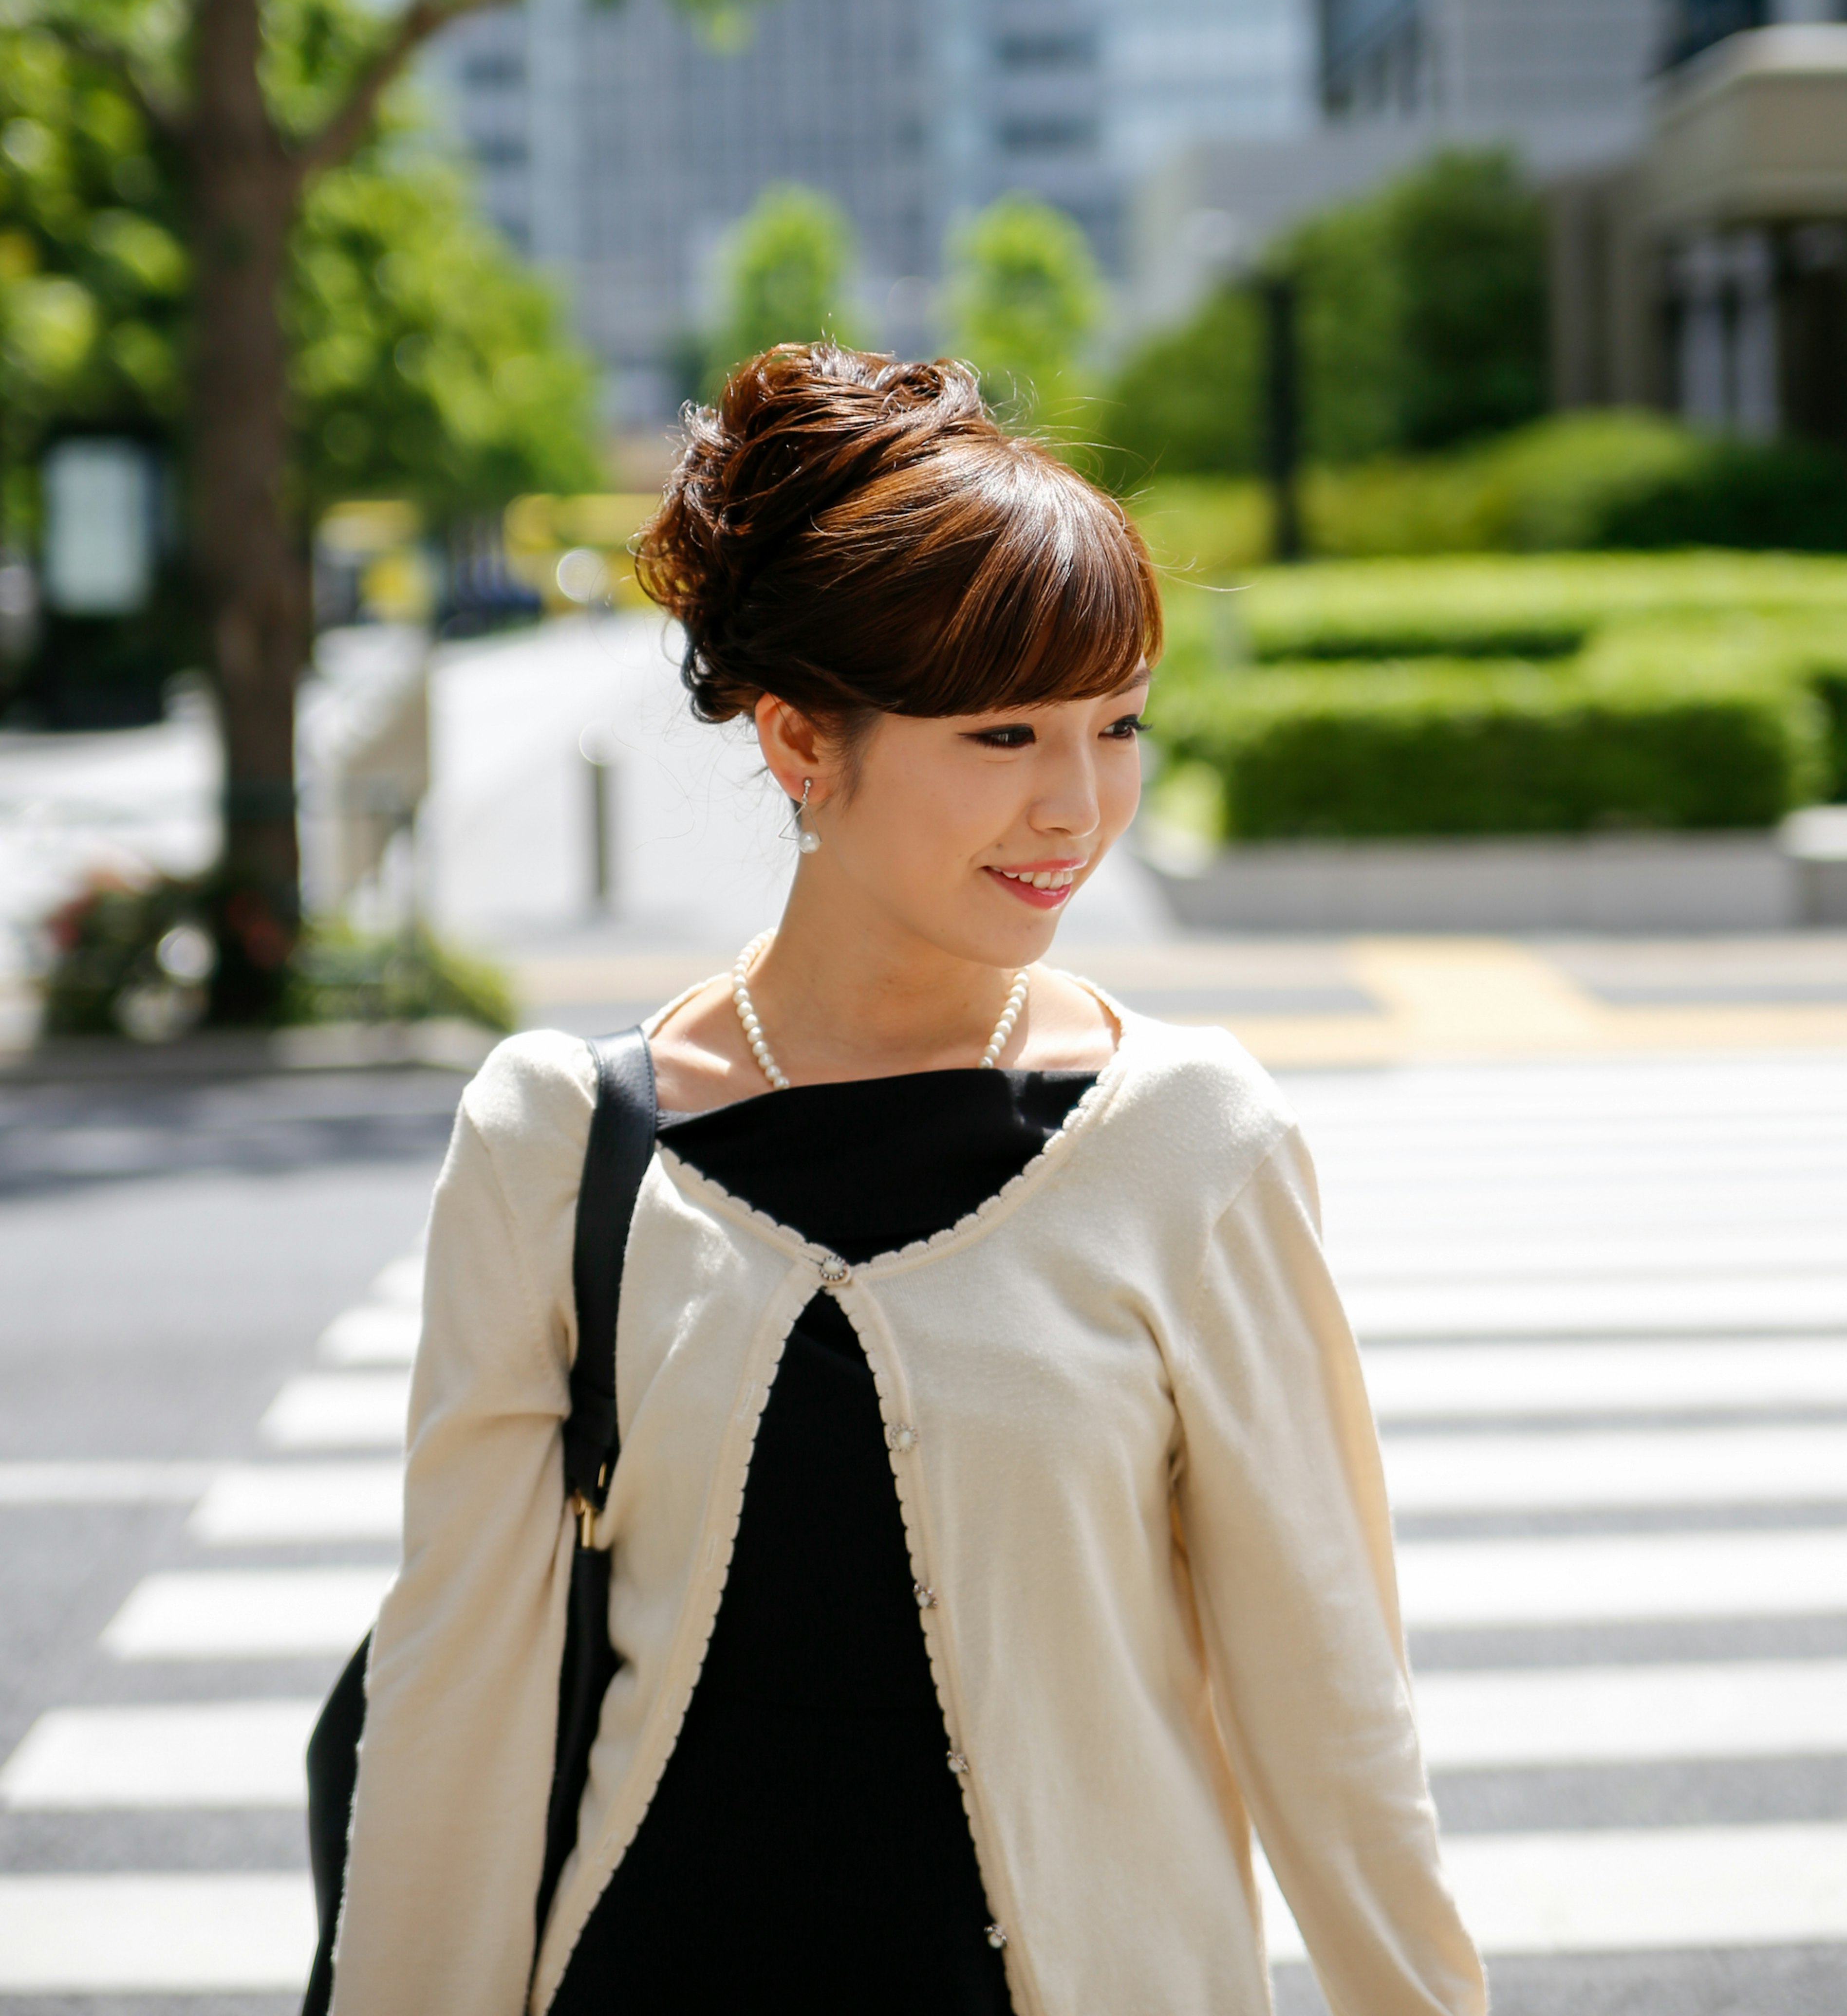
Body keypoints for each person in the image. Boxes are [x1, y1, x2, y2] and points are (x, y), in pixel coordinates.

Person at [329, 345, 1486, 2016]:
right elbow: (455, 1696)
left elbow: (1332, 1707)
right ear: (803, 739)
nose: (1076, 805)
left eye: (1119, 724)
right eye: (1003, 731)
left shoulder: (1189, 1140)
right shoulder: (558, 1147)